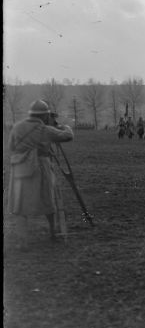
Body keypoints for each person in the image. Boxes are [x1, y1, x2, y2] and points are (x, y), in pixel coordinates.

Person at [7, 99, 74, 246]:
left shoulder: (17, 127)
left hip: (19, 169)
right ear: (45, 116)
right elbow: (68, 136)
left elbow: (11, 146)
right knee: (47, 199)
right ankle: (52, 233)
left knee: (20, 204)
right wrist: (65, 126)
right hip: (40, 167)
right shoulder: (44, 130)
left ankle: (22, 240)